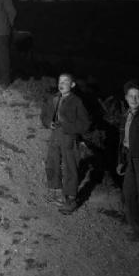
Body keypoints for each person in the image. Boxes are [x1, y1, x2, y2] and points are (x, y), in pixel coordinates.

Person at [41, 73, 90, 215]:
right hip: (55, 135)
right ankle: (56, 192)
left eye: (66, 81)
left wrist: (68, 127)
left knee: (70, 166)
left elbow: (85, 124)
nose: (62, 84)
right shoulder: (54, 98)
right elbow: (44, 115)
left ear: (72, 85)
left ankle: (70, 200)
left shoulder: (76, 102)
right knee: (52, 162)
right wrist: (47, 122)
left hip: (69, 137)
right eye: (60, 81)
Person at [116, 80, 139, 249]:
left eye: (138, 96)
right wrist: (120, 161)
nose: (134, 99)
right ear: (126, 98)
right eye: (131, 96)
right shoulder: (125, 115)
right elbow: (122, 141)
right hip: (129, 159)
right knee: (128, 194)